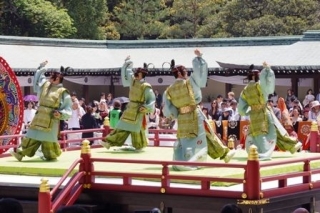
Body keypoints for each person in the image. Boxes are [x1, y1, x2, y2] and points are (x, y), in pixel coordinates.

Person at [162, 49, 235, 171]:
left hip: (182, 118)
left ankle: (223, 153)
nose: (186, 73)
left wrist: (176, 115)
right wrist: (199, 58)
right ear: (179, 74)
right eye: (184, 71)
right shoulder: (189, 83)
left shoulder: (168, 90)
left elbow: (169, 110)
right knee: (206, 134)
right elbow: (199, 75)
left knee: (187, 139)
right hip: (194, 115)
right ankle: (195, 160)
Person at [238, 62, 301, 161]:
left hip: (254, 114)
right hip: (264, 111)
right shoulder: (259, 86)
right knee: (270, 131)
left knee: (258, 133)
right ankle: (264, 152)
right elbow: (268, 86)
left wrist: (248, 111)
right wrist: (267, 71)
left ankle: (291, 145)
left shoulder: (244, 91)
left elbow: (241, 108)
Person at [10, 61, 72, 161]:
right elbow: (38, 79)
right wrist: (41, 67)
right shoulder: (45, 85)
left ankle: (51, 156)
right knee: (31, 136)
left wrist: (60, 113)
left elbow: (67, 108)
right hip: (39, 116)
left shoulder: (63, 92)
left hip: (51, 118)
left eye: (52, 77)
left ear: (58, 79)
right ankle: (20, 153)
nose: (50, 78)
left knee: (48, 141)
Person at [100, 56, 155, 151]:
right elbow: (128, 72)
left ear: (142, 74)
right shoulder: (133, 81)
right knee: (121, 126)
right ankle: (109, 142)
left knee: (137, 129)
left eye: (138, 73)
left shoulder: (146, 86)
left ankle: (139, 146)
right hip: (130, 108)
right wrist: (128, 62)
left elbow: (151, 99)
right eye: (136, 73)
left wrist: (146, 107)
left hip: (138, 109)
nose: (136, 74)